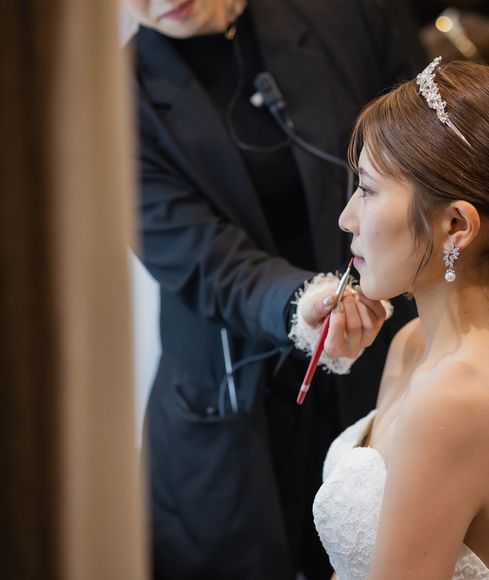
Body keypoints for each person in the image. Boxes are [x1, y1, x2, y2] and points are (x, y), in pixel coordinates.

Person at [121, 0, 423, 578]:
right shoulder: (117, 97)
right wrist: (300, 304)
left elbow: (432, 149)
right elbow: (202, 258)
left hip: (377, 362)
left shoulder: (343, 16)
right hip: (226, 399)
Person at [312, 58, 489, 579]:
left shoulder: (458, 399)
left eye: (367, 190)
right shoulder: (414, 343)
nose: (347, 218)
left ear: (456, 225)